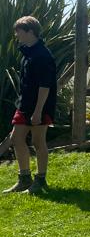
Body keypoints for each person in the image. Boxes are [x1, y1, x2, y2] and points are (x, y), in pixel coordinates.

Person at [3, 16, 57, 194]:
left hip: (39, 107)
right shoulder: (28, 52)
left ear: (30, 32)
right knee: (16, 139)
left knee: (38, 141)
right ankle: (24, 179)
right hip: (24, 104)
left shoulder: (42, 55)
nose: (16, 35)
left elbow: (45, 86)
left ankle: (40, 181)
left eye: (19, 31)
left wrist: (38, 112)